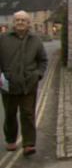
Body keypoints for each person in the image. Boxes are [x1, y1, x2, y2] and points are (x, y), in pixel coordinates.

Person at [0, 10, 48, 156]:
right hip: (9, 84)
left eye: (23, 20)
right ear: (13, 23)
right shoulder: (3, 39)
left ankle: (28, 144)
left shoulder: (36, 40)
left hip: (29, 84)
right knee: (10, 114)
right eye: (17, 20)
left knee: (28, 114)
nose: (20, 22)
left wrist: (38, 75)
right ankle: (10, 140)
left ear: (29, 23)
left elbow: (43, 60)